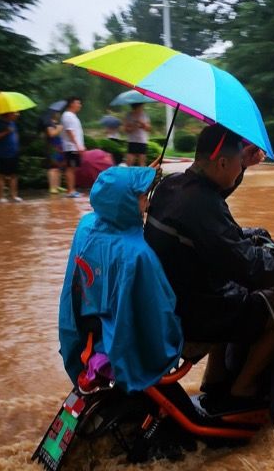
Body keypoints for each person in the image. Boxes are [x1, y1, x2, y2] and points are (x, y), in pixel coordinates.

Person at [145, 124, 274, 405]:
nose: (240, 169)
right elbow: (253, 268)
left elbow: (210, 201)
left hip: (170, 299)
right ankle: (245, 388)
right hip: (191, 313)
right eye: (239, 164)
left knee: (232, 289)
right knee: (273, 308)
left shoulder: (171, 185)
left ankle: (214, 379)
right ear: (223, 162)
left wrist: (245, 164)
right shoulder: (203, 206)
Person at [59, 166, 183, 392]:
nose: (147, 202)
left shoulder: (86, 226)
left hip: (83, 335)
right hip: (114, 347)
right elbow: (158, 316)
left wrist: (134, 181)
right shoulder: (138, 254)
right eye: (143, 197)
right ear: (126, 202)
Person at [0, 112, 22, 203]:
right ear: (8, 114)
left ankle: (14, 196)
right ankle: (1, 197)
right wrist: (6, 132)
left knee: (14, 174)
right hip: (3, 153)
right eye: (15, 113)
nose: (17, 114)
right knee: (1, 175)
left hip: (14, 152)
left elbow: (15, 135)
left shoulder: (13, 123)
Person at [61, 96, 85, 198]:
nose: (79, 105)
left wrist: (81, 145)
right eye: (78, 103)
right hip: (71, 147)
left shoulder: (73, 116)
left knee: (72, 168)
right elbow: (69, 131)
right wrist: (77, 145)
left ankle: (72, 190)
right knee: (70, 168)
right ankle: (70, 191)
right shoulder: (68, 115)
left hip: (74, 147)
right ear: (71, 104)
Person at [44, 111, 66, 194]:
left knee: (59, 168)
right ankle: (52, 187)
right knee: (53, 168)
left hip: (59, 148)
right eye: (56, 113)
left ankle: (57, 186)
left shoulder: (57, 123)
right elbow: (51, 134)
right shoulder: (49, 124)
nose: (58, 114)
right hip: (52, 148)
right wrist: (59, 128)